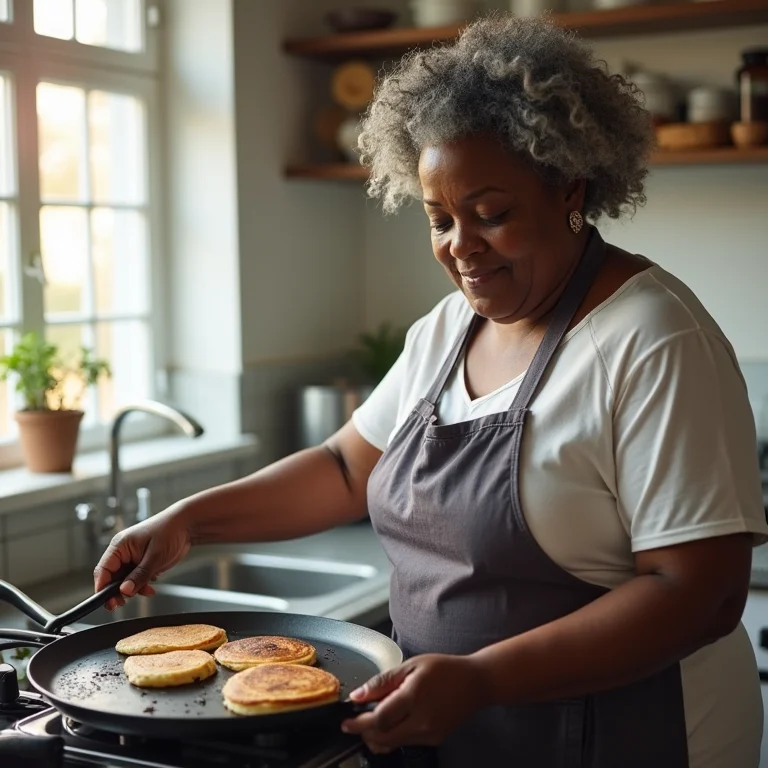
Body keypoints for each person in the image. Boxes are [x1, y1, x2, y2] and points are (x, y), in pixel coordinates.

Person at [94, 15, 768, 768]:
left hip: (629, 738)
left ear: (569, 190)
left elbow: (699, 594)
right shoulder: (447, 329)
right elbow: (347, 468)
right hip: (460, 734)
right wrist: (189, 522)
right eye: (439, 219)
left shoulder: (653, 339)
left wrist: (482, 679)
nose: (460, 247)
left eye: (491, 215)